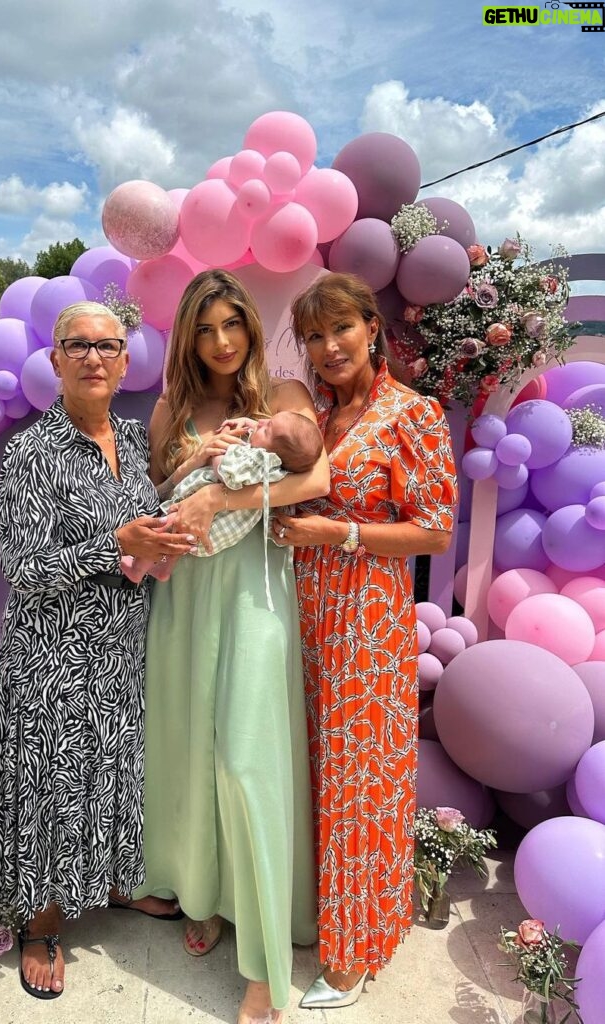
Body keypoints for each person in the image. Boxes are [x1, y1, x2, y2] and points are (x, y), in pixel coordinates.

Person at [0, 301, 194, 1000]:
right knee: (51, 784)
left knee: (109, 771)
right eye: (77, 345)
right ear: (55, 360)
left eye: (107, 345)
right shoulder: (31, 453)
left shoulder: (131, 442)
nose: (94, 357)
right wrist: (118, 545)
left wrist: (189, 492)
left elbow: (144, 510)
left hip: (121, 647)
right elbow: (22, 568)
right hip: (52, 656)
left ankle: (106, 883)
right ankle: (41, 924)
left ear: (125, 360)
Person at [140, 269, 330, 1024]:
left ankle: (262, 962)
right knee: (188, 750)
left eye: (232, 325)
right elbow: (156, 489)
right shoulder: (171, 406)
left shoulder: (282, 395)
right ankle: (205, 893)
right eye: (205, 329)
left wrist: (227, 492)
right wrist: (195, 463)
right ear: (188, 336)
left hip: (254, 590)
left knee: (243, 759)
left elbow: (312, 477)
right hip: (184, 591)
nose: (220, 342)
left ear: (251, 326)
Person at [273, 273, 457, 1009]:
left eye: (338, 330)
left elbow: (436, 531)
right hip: (300, 615)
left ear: (370, 329)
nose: (326, 347)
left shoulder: (408, 413)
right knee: (311, 769)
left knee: (357, 779)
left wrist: (337, 532)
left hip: (363, 620)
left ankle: (352, 952)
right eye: (313, 336)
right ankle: (316, 914)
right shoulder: (314, 415)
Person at [120, 410, 323, 583]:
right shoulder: (273, 463)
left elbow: (224, 471)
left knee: (167, 529)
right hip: (215, 527)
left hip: (215, 524)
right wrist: (250, 424)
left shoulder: (255, 459)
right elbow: (270, 435)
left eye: (266, 428)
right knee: (178, 534)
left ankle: (138, 570)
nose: (260, 422)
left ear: (273, 451)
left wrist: (218, 447)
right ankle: (164, 569)